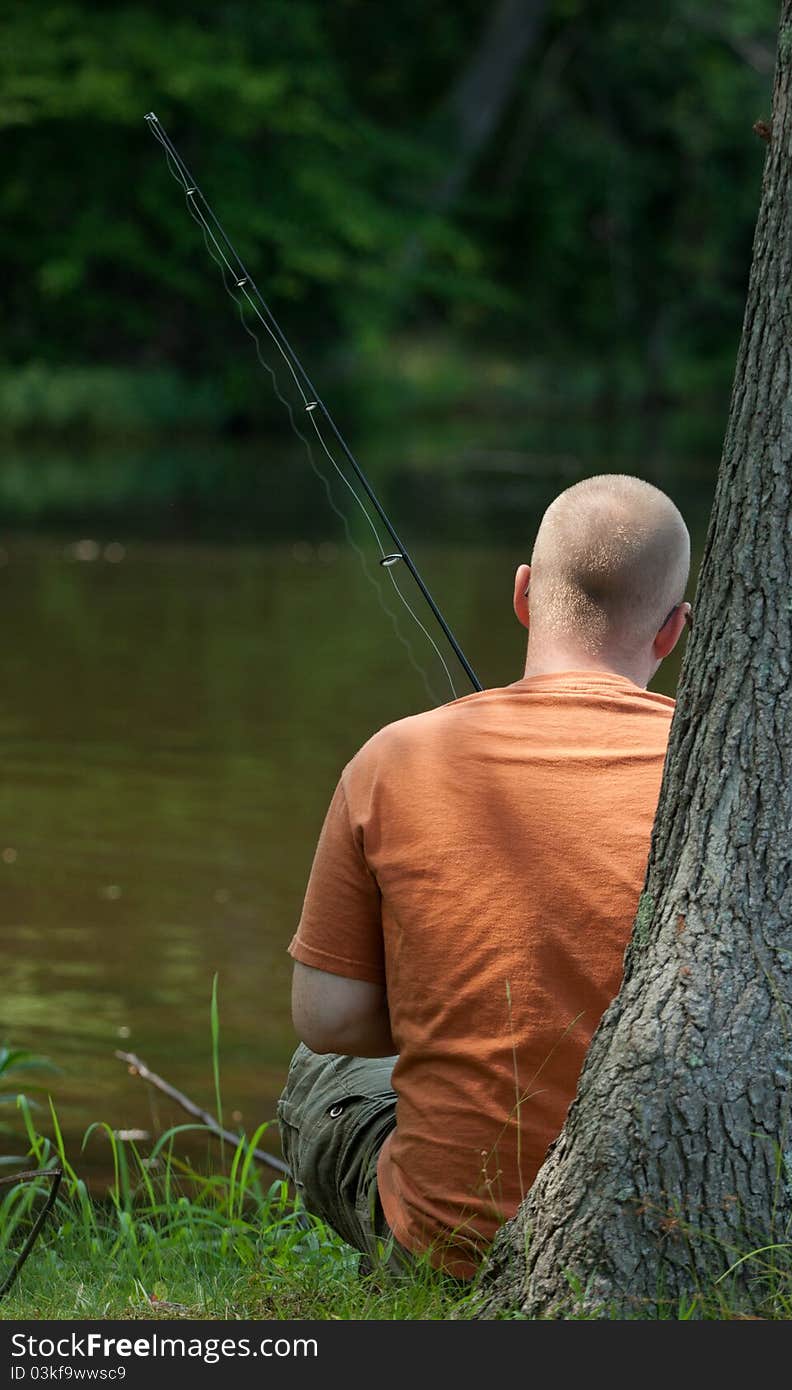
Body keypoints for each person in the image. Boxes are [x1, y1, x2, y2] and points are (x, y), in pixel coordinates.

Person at [277, 473, 691, 1280]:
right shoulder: (725, 777)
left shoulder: (394, 759)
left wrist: (460, 1002)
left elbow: (326, 1018)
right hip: (671, 1246)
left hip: (453, 1253)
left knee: (319, 1070)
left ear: (524, 594)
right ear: (673, 630)